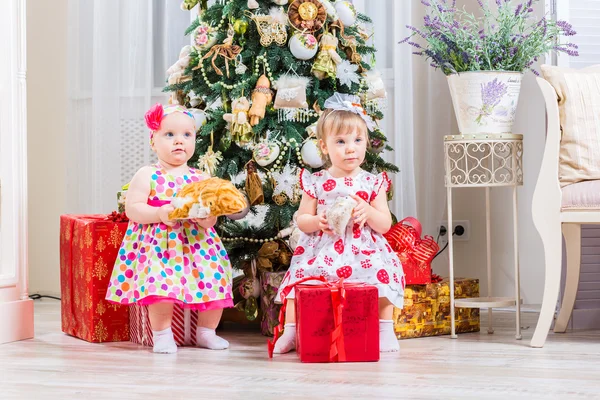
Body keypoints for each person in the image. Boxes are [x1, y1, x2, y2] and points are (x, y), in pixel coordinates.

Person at [274, 93, 405, 354]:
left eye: (357, 140)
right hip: (325, 247)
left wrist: (368, 211)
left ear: (366, 142)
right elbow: (301, 219)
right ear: (324, 147)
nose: (350, 148)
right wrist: (316, 221)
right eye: (341, 141)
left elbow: (385, 224)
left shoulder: (372, 182)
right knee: (300, 279)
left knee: (384, 274)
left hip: (364, 249)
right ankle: (290, 331)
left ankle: (384, 328)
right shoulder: (316, 181)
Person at [106, 103, 232, 354]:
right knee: (160, 286)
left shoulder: (202, 178)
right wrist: (159, 213)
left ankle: (206, 332)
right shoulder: (148, 174)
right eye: (169, 135)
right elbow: (132, 209)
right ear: (153, 141)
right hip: (160, 248)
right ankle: (162, 333)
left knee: (215, 278)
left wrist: (205, 217)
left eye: (187, 135)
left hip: (198, 247)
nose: (179, 141)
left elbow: (212, 217)